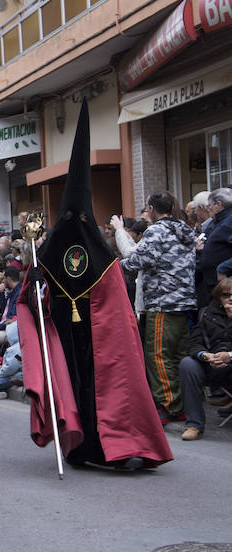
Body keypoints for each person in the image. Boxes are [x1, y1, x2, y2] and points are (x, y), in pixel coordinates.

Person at [17, 100, 172, 470]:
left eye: (80, 216)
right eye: (68, 216)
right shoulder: (50, 250)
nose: (74, 222)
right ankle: (78, 447)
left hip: (100, 336)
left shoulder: (104, 256)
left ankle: (114, 444)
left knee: (105, 388)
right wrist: (36, 280)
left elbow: (117, 301)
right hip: (64, 337)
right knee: (72, 387)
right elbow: (29, 302)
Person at [122, 190, 196, 424]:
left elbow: (139, 260)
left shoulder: (156, 230)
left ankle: (169, 406)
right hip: (184, 300)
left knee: (159, 356)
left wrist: (114, 266)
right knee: (178, 355)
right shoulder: (185, 230)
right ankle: (181, 402)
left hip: (163, 301)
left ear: (152, 209)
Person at [178, 278, 232, 441]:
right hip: (211, 363)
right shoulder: (207, 313)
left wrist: (229, 356)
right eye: (226, 295)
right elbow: (194, 343)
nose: (230, 298)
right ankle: (194, 424)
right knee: (187, 364)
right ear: (218, 298)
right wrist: (205, 356)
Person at [196, 188, 232, 309]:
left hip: (223, 285)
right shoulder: (221, 221)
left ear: (218, 204)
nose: (208, 209)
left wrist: (223, 268)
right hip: (213, 286)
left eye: (209, 205)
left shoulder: (229, 221)